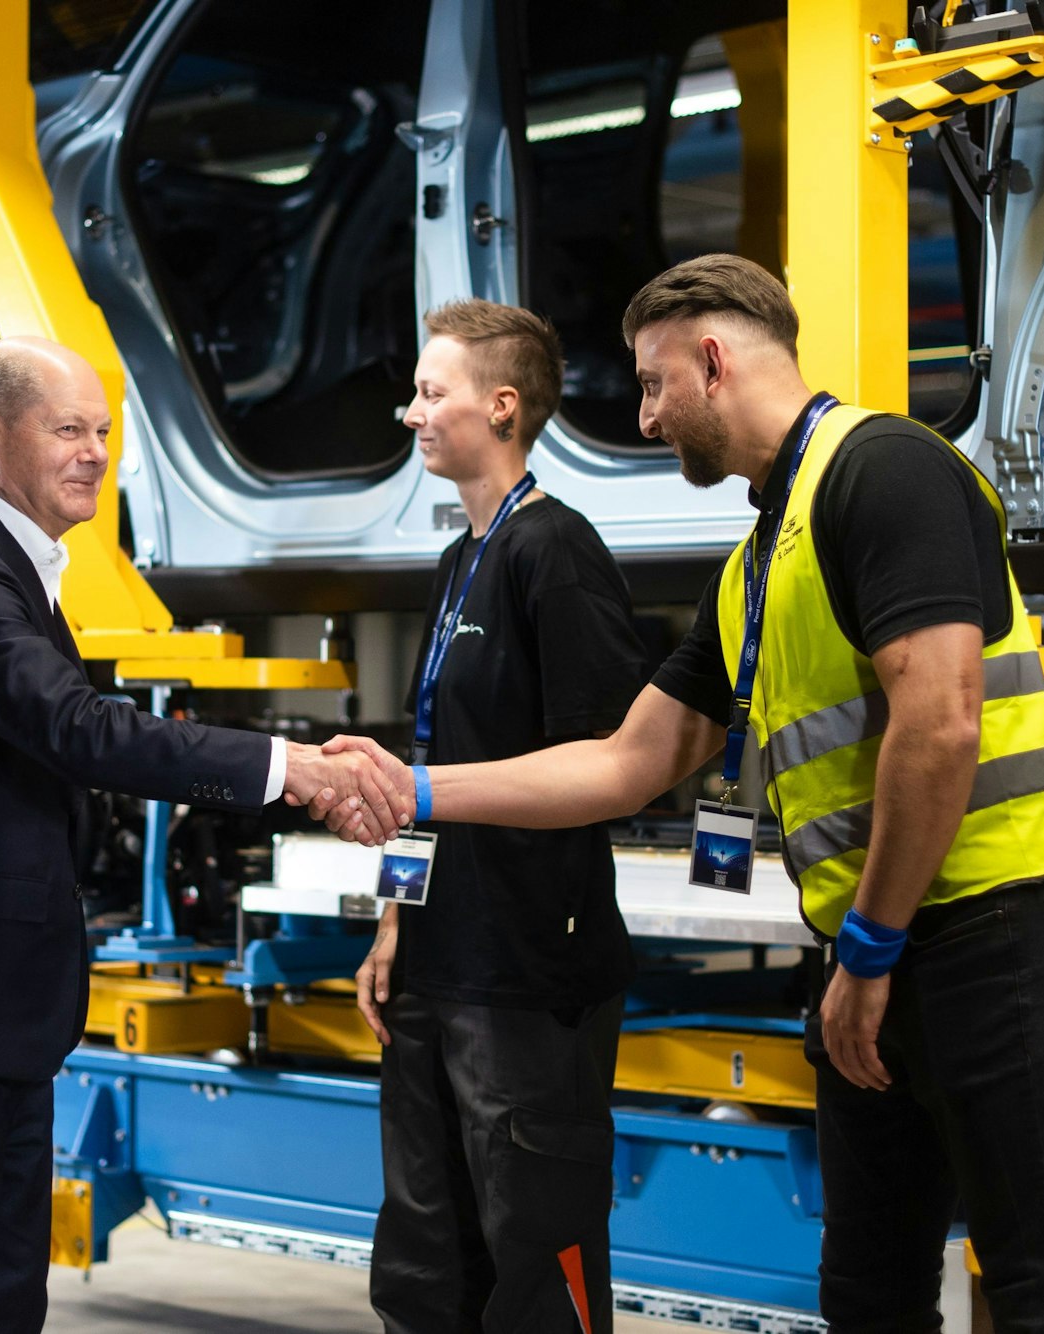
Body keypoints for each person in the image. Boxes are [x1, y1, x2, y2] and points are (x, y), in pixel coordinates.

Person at [328, 255, 1044, 1333]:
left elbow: (941, 721)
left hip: (994, 931)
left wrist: (869, 950)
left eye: (654, 385)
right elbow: (622, 761)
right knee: (870, 1296)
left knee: (1043, 1293)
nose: (647, 418)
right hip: (876, 946)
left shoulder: (883, 471)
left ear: (712, 360)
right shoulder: (754, 565)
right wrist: (409, 787)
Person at [0, 335, 409, 1333]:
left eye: (102, 431)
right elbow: (77, 729)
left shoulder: (8, 564)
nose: (94, 452)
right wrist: (289, 768)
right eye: (68, 430)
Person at [355, 300, 648, 1334]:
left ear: (503, 406)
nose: (412, 413)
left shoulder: (553, 550)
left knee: (535, 1266)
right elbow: (428, 753)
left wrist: (426, 794)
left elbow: (608, 763)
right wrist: (394, 918)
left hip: (527, 975)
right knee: (424, 1264)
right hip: (436, 965)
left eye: (431, 393)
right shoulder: (457, 563)